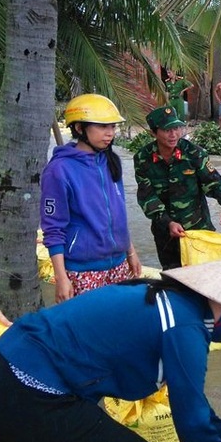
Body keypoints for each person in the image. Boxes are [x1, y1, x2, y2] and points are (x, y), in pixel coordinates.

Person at [0, 257, 221, 442]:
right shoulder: (184, 325)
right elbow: (191, 427)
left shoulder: (165, 298)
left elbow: (193, 401)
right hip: (30, 388)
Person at [41, 94, 141, 302]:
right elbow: (53, 228)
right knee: (90, 331)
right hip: (84, 271)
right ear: (79, 128)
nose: (110, 133)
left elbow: (118, 212)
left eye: (112, 127)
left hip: (119, 264)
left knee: (119, 326)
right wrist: (61, 277)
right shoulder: (59, 170)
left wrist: (130, 252)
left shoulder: (110, 161)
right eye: (103, 127)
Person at [134, 106, 221, 270]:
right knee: (173, 277)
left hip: (198, 230)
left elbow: (214, 182)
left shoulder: (194, 153)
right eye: (167, 130)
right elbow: (147, 196)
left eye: (176, 128)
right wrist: (168, 223)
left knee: (203, 278)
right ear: (154, 133)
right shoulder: (142, 158)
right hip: (165, 232)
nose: (173, 134)